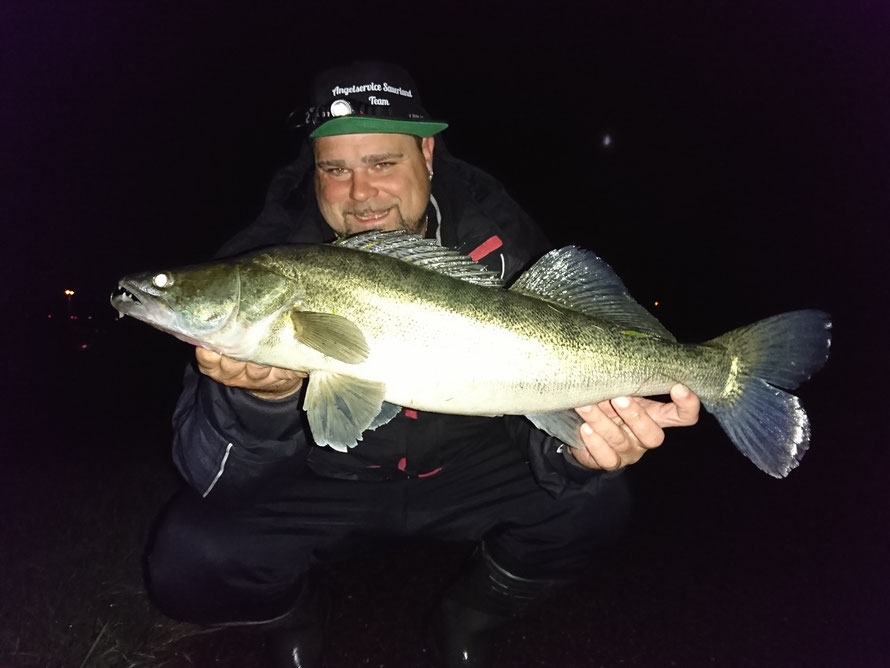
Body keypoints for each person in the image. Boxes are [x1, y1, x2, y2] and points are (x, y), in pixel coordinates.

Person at [146, 61, 701, 667]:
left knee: (596, 502)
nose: (360, 193)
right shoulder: (264, 255)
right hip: (330, 479)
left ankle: (469, 617)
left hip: (466, 464)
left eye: (382, 163)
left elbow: (537, 376)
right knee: (190, 557)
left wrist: (575, 449)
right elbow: (211, 476)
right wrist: (255, 402)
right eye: (335, 170)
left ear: (427, 154)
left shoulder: (498, 235)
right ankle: (294, 621)